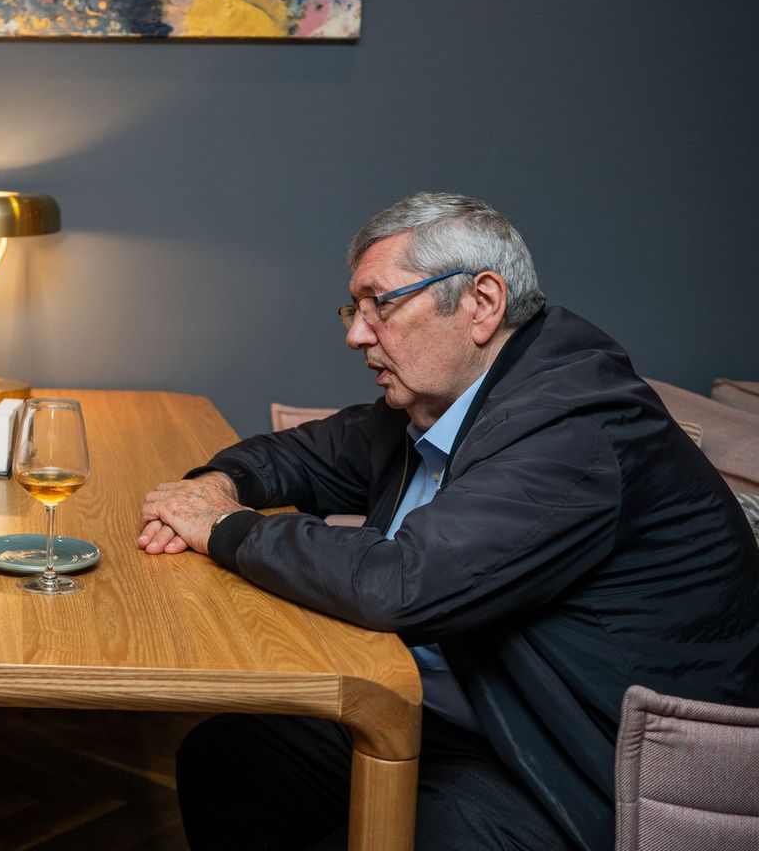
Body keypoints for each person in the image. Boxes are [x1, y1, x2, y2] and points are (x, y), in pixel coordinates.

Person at [136, 192, 759, 851]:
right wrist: (217, 484)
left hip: (578, 765)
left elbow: (401, 583)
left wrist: (223, 526)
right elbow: (306, 454)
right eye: (354, 308)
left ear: (481, 303)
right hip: (474, 713)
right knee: (231, 758)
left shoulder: (573, 428)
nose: (356, 334)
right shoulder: (445, 401)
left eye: (381, 304)